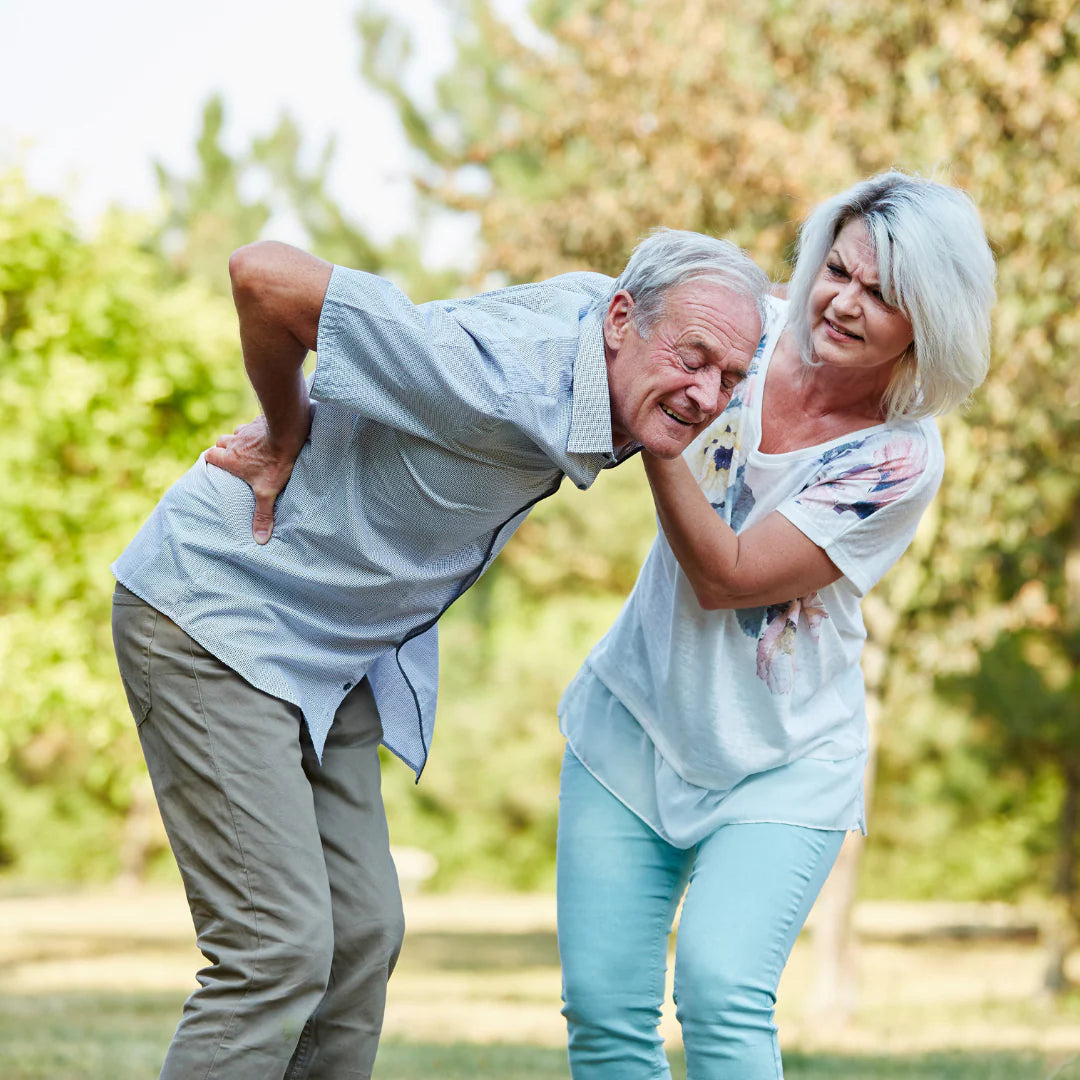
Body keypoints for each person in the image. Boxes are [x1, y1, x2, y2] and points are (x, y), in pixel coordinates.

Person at [109, 228, 769, 1079]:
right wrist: (284, 429)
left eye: (731, 375)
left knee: (362, 937)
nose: (708, 394)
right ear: (619, 321)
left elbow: (778, 322)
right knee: (275, 949)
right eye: (693, 359)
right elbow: (264, 276)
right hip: (220, 610)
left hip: (331, 652)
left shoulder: (636, 332)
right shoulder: (490, 376)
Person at [556, 172, 996, 1079]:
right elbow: (593, 318)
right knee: (603, 1012)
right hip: (632, 719)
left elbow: (729, 576)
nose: (843, 302)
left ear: (930, 320)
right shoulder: (742, 334)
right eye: (837, 270)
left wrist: (661, 432)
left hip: (783, 758)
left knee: (721, 993)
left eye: (883, 294)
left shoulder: (899, 456)